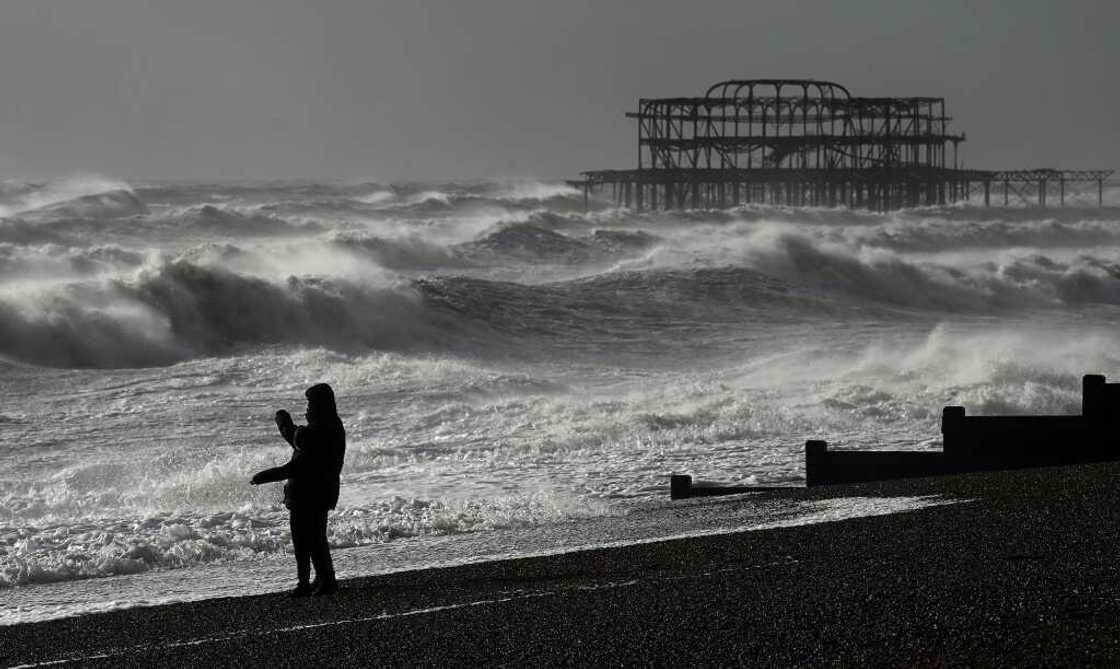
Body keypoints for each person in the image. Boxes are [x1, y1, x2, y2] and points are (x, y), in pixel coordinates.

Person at [251, 383, 346, 597]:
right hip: (318, 493)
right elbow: (297, 439)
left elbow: (295, 460)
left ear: (321, 405)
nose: (307, 409)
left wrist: (264, 476)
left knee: (310, 541)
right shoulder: (330, 426)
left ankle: (324, 581)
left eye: (310, 403)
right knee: (309, 540)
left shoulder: (322, 430)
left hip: (311, 494)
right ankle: (313, 581)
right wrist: (287, 426)